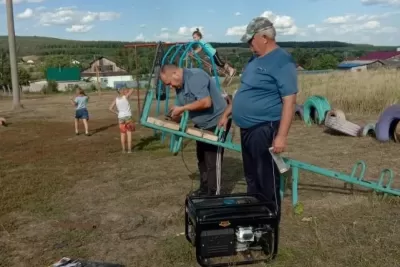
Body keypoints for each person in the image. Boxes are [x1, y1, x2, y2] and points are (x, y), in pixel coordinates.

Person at [218, 17, 298, 219]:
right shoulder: (254, 60)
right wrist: (228, 112)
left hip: (265, 127)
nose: (248, 44)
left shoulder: (282, 61)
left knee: (266, 178)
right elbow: (244, 90)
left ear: (264, 37)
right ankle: (253, 216)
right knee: (251, 176)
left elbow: (289, 101)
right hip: (247, 128)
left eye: (250, 40)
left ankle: (268, 221)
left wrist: (281, 136)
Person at [160, 64, 231, 196]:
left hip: (217, 121)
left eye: (169, 83)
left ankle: (214, 194)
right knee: (202, 158)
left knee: (212, 159)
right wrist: (175, 116)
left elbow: (205, 102)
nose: (170, 86)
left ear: (175, 73)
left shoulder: (195, 76)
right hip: (202, 124)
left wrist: (182, 109)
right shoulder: (179, 86)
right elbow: (184, 110)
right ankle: (204, 189)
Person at [109, 88, 135, 153]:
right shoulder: (125, 97)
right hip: (128, 116)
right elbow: (133, 89)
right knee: (129, 133)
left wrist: (117, 113)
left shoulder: (116, 99)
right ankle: (129, 150)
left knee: (122, 133)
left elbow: (110, 108)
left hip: (120, 117)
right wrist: (127, 90)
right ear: (123, 91)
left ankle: (123, 150)